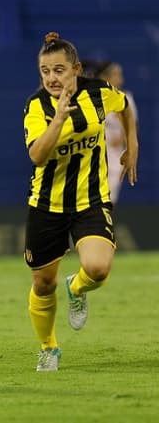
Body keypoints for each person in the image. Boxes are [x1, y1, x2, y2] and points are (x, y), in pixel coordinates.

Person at [22, 32, 138, 371]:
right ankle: (48, 347)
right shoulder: (36, 106)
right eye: (45, 71)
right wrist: (58, 118)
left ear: (76, 69)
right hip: (47, 205)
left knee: (98, 269)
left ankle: (77, 286)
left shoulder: (99, 94)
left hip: (91, 200)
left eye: (59, 70)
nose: (51, 78)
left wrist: (132, 143)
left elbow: (125, 105)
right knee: (43, 284)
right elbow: (38, 156)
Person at [91, 61, 139, 204]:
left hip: (114, 159)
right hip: (92, 157)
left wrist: (126, 142)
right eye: (116, 75)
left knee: (108, 201)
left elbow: (133, 129)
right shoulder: (92, 98)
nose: (121, 79)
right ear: (105, 78)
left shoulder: (126, 99)